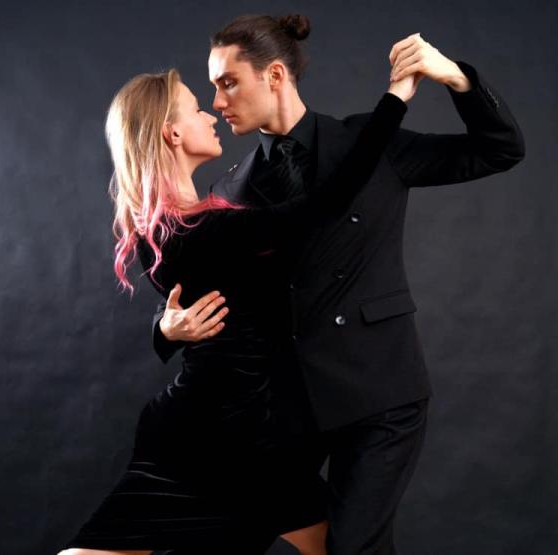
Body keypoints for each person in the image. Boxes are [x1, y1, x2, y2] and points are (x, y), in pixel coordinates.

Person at [152, 14, 525, 555]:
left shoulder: (370, 143)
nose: (216, 101)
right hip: (287, 405)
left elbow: (500, 149)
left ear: (274, 75)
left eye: (228, 82)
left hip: (379, 393)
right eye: (213, 87)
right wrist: (166, 327)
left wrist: (456, 78)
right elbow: (196, 284)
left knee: (352, 546)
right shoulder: (230, 190)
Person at [56, 49, 418, 555]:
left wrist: (164, 327)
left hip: (235, 431)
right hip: (221, 436)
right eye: (194, 108)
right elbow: (329, 203)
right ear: (172, 133)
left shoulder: (165, 229)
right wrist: (396, 99)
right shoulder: (208, 229)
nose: (210, 113)